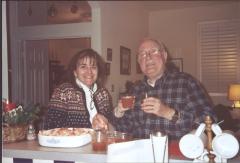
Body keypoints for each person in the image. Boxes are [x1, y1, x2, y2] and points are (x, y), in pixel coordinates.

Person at [114, 38, 217, 140]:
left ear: (164, 56)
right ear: (139, 62)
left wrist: (169, 113)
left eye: (153, 51)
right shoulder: (135, 90)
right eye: (143, 54)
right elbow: (124, 131)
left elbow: (210, 123)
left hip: (177, 154)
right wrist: (119, 113)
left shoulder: (186, 82)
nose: (148, 57)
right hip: (141, 153)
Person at [43, 48, 114, 131]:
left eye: (93, 67)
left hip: (99, 142)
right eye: (83, 67)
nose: (89, 72)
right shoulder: (63, 91)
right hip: (72, 143)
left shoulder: (103, 93)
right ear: (75, 72)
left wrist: (106, 124)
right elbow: (50, 126)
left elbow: (111, 124)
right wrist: (88, 129)